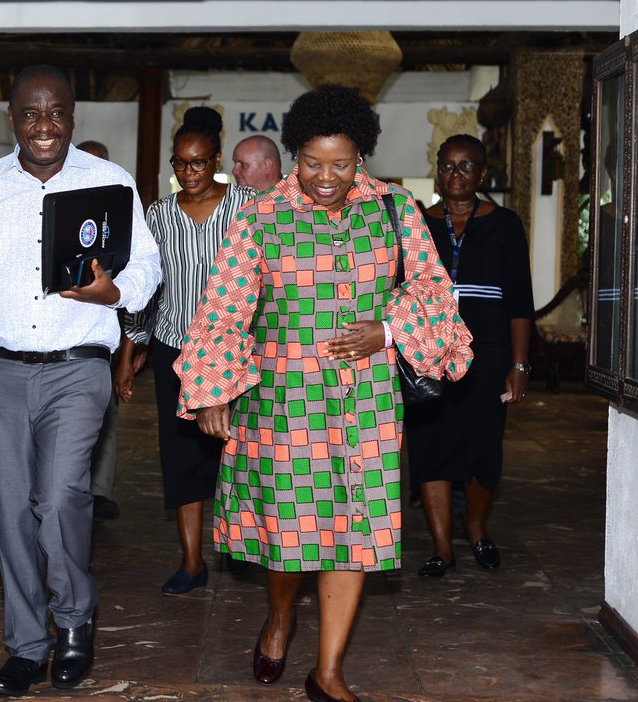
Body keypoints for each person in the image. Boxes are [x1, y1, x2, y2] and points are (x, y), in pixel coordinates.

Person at [176, 85, 472, 702]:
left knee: (353, 531)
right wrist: (212, 390)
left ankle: (328, 671)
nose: (326, 177)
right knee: (290, 536)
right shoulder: (260, 216)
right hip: (283, 399)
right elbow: (225, 306)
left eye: (341, 163)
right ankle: (280, 618)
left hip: (366, 400)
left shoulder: (395, 208)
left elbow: (437, 296)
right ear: (294, 154)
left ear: (360, 155)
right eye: (313, 162)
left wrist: (387, 330)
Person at [0, 65, 160, 697]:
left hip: (79, 367)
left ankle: (75, 616)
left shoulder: (109, 181)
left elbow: (148, 267)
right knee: (13, 513)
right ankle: (26, 644)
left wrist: (115, 292)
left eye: (55, 114)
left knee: (59, 500)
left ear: (72, 118)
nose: (43, 125)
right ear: (13, 120)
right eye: (30, 114)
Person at [114, 107, 248, 594]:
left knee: (239, 453)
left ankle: (240, 546)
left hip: (235, 354)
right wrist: (133, 349)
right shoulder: (160, 215)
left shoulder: (247, 206)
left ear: (216, 159)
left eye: (198, 163)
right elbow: (148, 286)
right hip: (176, 351)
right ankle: (192, 561)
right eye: (180, 164)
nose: (189, 173)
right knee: (182, 458)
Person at [405, 134, 534, 578]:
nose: (455, 175)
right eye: (447, 166)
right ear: (437, 170)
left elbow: (520, 301)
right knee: (431, 448)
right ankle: (443, 547)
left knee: (483, 449)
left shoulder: (506, 224)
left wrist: (518, 366)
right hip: (429, 356)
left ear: (482, 174)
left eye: (466, 166)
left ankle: (476, 528)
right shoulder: (418, 224)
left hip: (488, 355)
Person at [77, 138, 122, 522]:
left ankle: (99, 491)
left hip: (105, 331)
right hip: (65, 337)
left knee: (105, 412)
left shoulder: (116, 212)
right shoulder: (62, 208)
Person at [231, 133, 283, 201]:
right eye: (235, 163)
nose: (234, 171)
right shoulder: (232, 202)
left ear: (267, 165)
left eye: (243, 165)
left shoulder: (296, 203)